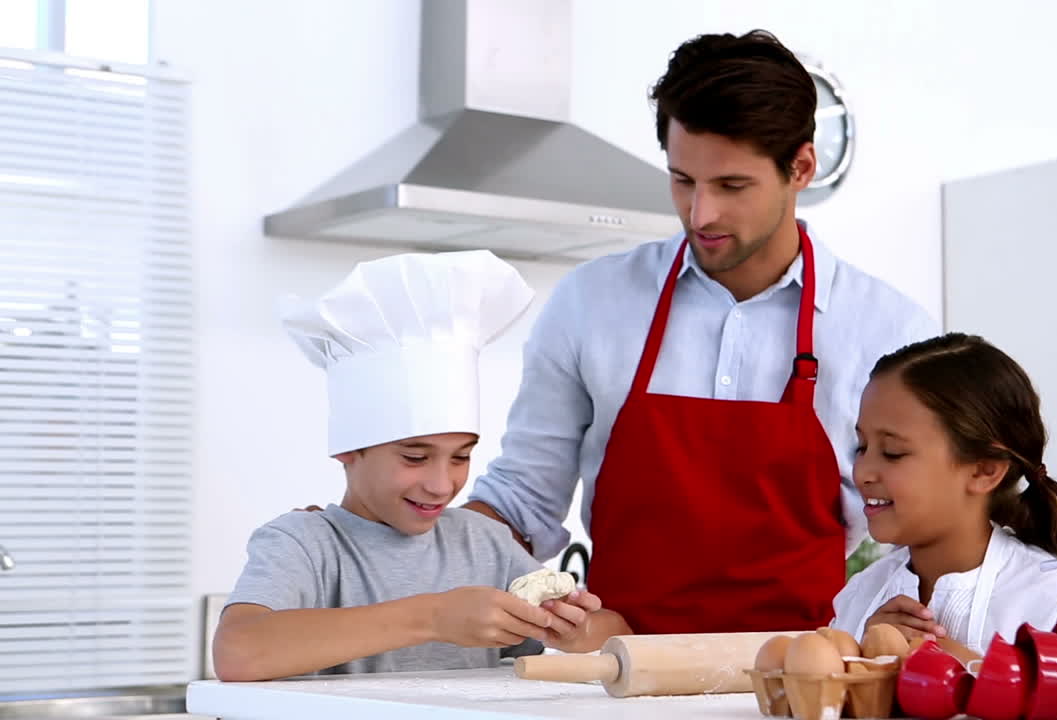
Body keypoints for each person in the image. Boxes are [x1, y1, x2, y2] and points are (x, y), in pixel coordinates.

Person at [464, 30, 937, 634]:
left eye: (731, 186)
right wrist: (386, 538)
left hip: (803, 673)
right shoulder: (592, 302)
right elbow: (522, 499)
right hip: (616, 669)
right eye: (683, 180)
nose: (700, 214)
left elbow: (922, 528)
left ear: (801, 167)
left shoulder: (889, 330)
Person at [213, 251, 629, 682]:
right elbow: (239, 652)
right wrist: (433, 616)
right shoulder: (306, 544)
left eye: (461, 456)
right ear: (348, 451)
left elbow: (618, 633)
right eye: (415, 457)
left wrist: (573, 630)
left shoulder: (483, 543)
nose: (441, 484)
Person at [831, 333, 1057, 653]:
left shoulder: (1055, 601)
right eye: (862, 447)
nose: (862, 472)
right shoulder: (860, 596)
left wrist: (944, 657)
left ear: (984, 470)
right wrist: (862, 655)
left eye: (893, 452)